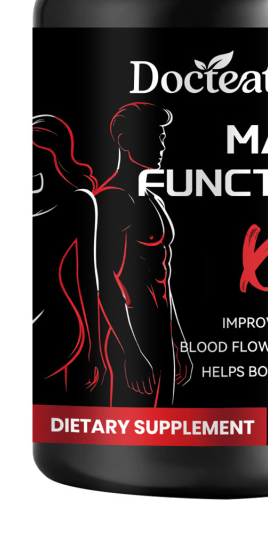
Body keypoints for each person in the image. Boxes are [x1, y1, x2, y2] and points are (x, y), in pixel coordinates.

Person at [96, 102, 192, 406]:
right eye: (152, 137)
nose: (161, 145)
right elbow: (105, 280)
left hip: (161, 329)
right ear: (125, 141)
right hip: (129, 329)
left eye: (161, 137)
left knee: (166, 418)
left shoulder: (155, 202)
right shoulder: (112, 200)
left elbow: (165, 278)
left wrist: (179, 342)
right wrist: (131, 352)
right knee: (129, 421)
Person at [32, 115, 103, 400]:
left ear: (48, 151)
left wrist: (95, 347)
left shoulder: (79, 200)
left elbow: (87, 275)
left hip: (59, 321)